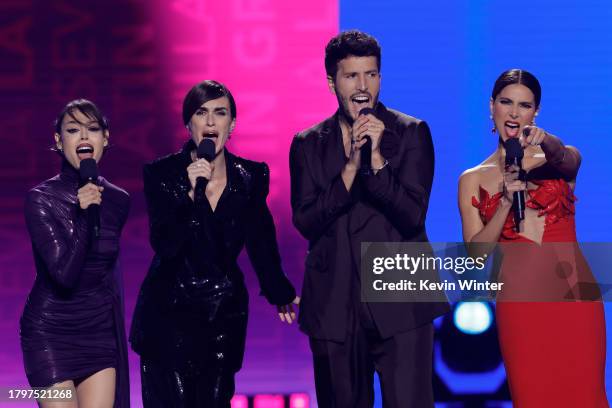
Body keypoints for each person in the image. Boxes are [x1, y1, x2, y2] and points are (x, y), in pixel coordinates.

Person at [289, 30, 449, 408]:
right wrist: (349, 171)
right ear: (332, 82)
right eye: (351, 76)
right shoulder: (308, 144)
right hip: (334, 306)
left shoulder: (411, 133)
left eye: (371, 75)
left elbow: (412, 216)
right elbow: (306, 221)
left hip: (402, 301)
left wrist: (376, 161)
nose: (363, 87)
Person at [129, 80, 298, 407]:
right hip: (168, 317)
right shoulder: (162, 174)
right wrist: (190, 195)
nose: (210, 122)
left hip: (221, 313)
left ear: (231, 124)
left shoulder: (250, 176)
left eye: (219, 113)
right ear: (187, 123)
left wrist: (279, 291)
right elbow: (164, 244)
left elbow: (260, 239)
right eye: (201, 113)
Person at [458, 69, 608, 407]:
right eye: (505, 102)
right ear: (491, 107)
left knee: (586, 397)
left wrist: (545, 140)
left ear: (535, 113)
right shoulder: (472, 179)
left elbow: (567, 158)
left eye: (524, 105)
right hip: (521, 307)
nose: (513, 113)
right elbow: (476, 255)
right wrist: (505, 203)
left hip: (575, 300)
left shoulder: (558, 162)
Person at [20, 99, 130, 407]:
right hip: (50, 331)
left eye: (92, 129)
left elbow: (106, 273)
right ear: (58, 140)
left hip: (98, 332)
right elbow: (65, 275)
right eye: (73, 130)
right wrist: (84, 215)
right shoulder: (40, 200)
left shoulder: (119, 200)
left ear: (105, 138)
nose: (83, 137)